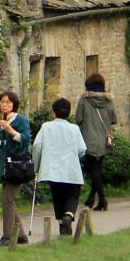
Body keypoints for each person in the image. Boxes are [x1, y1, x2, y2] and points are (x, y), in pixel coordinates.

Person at [32, 97, 89, 235]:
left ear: (53, 112)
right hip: (71, 169)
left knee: (58, 196)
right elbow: (82, 149)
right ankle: (68, 216)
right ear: (68, 113)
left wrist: (36, 166)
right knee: (72, 195)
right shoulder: (74, 128)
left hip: (52, 169)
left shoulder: (46, 126)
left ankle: (62, 224)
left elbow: (37, 146)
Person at [0, 91, 34, 246]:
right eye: (2, 102)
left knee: (8, 199)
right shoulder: (4, 120)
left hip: (17, 166)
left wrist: (11, 131)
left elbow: (26, 139)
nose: (5, 105)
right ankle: (21, 236)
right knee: (9, 200)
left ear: (14, 104)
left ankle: (7, 236)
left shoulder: (19, 120)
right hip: (6, 166)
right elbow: (2, 143)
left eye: (8, 102)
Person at [73, 74, 117, 211]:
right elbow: (114, 120)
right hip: (104, 141)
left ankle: (103, 200)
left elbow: (78, 119)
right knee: (96, 170)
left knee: (94, 171)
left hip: (88, 141)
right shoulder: (109, 102)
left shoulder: (84, 101)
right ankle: (92, 198)